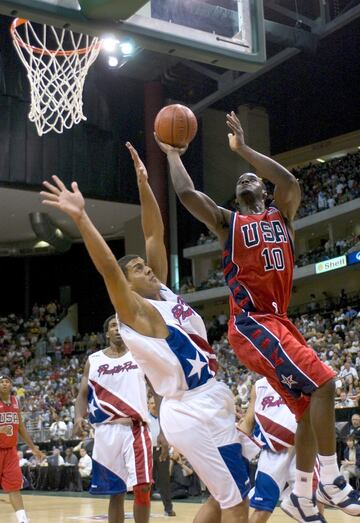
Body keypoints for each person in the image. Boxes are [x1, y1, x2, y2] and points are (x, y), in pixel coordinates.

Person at [155, 111, 360, 522]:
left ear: (265, 191)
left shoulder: (283, 214)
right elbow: (187, 195)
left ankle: (301, 495)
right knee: (325, 382)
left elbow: (290, 182)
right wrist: (173, 154)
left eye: (252, 179)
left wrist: (244, 150)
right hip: (251, 323)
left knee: (305, 412)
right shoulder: (229, 223)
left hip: (280, 321)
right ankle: (331, 479)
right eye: (240, 182)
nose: (245, 181)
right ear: (235, 200)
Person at [40, 144, 250, 523]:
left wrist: (143, 183)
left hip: (213, 396)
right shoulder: (137, 313)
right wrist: (82, 218)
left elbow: (154, 232)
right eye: (136, 269)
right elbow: (109, 269)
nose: (146, 268)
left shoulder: (164, 292)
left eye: (142, 264)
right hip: (189, 408)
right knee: (235, 502)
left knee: (224, 497)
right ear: (128, 285)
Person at [73, 315, 153, 523]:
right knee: (116, 492)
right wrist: (77, 418)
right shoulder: (94, 360)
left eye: (122, 326)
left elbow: (157, 389)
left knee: (143, 486)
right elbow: (82, 395)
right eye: (113, 326)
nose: (117, 329)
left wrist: (164, 424)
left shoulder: (139, 354)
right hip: (106, 430)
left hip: (135, 427)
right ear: (106, 333)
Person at [239, 377, 323, 523]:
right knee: (263, 508)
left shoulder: (300, 375)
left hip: (301, 449)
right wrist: (234, 447)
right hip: (271, 454)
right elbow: (248, 422)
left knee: (314, 500)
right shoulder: (259, 386)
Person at [0, 375, 45, 523]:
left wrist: (33, 448)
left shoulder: (15, 401)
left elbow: (21, 427)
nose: (4, 384)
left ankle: (23, 520)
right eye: (1, 382)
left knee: (14, 487)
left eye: (7, 381)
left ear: (11, 385)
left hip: (10, 451)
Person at [148, 395, 175, 516]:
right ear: (148, 405)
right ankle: (144, 508)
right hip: (148, 451)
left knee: (165, 481)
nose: (154, 405)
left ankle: (168, 509)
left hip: (162, 451)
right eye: (151, 403)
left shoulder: (163, 417)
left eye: (155, 403)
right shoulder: (144, 418)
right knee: (147, 482)